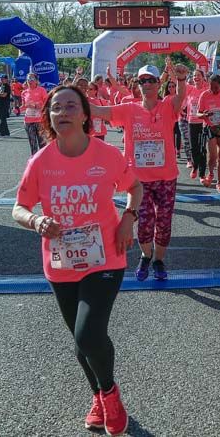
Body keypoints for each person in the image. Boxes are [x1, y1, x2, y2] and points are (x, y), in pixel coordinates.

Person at [11, 84, 142, 435]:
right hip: (62, 264)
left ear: (85, 115)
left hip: (105, 258)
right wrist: (37, 220)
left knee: (87, 333)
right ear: (49, 117)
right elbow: (18, 208)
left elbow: (135, 187)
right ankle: (98, 396)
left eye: (71, 106)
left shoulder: (107, 156)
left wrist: (129, 216)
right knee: (80, 341)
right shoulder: (40, 161)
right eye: (57, 107)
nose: (64, 112)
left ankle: (110, 395)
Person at [92, 60, 188, 281]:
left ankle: (159, 261)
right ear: (138, 85)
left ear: (157, 83)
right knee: (145, 222)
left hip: (166, 178)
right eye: (142, 81)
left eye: (151, 80)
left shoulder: (168, 107)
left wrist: (181, 79)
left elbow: (181, 96)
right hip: (139, 181)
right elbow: (99, 111)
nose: (146, 84)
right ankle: (146, 256)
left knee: (163, 222)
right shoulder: (128, 109)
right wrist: (72, 100)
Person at [186, 69, 209, 181]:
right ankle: (195, 166)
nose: (196, 77)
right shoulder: (190, 89)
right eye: (194, 75)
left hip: (203, 123)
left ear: (203, 77)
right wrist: (169, 68)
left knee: (202, 148)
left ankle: (202, 174)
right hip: (191, 122)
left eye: (198, 75)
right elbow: (177, 82)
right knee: (193, 148)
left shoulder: (206, 90)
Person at [20, 73, 48, 154]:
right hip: (28, 121)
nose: (30, 81)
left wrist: (36, 105)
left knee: (42, 143)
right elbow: (24, 106)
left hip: (40, 121)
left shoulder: (42, 90)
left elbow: (46, 104)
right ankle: (35, 163)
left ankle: (44, 161)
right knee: (33, 144)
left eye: (32, 79)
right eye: (28, 79)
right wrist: (18, 109)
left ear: (36, 81)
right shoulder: (24, 92)